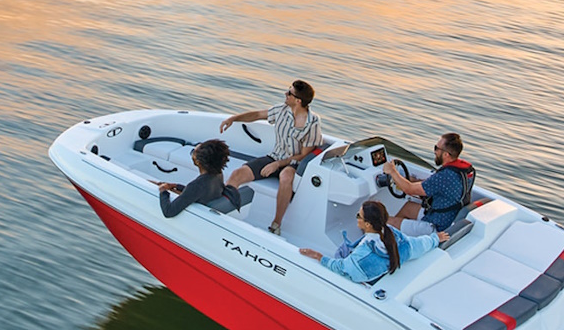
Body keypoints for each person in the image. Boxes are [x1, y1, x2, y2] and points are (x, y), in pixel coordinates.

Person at [220, 79, 323, 236]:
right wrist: (233, 119)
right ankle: (221, 210)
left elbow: (303, 155)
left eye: (289, 93)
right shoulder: (281, 110)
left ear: (298, 100)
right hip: (274, 157)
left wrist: (278, 164)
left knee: (286, 176)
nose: (285, 94)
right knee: (237, 174)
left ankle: (276, 224)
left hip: (293, 163)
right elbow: (257, 115)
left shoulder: (313, 122)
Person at [300, 199, 447, 283]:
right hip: (380, 275)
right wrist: (435, 239)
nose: (356, 217)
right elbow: (418, 245)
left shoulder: (363, 256)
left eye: (359, 215)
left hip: (364, 280)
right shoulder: (393, 235)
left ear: (368, 225)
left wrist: (319, 257)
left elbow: (343, 269)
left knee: (342, 251)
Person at [384, 132, 476, 235]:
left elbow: (409, 190)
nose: (435, 151)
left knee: (387, 222)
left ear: (446, 154)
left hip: (437, 226)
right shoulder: (464, 171)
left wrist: (392, 171)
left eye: (437, 148)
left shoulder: (445, 176)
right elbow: (435, 184)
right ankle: (397, 237)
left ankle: (391, 234)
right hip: (448, 217)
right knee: (408, 207)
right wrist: (412, 180)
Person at [157, 139, 246, 218]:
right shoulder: (218, 173)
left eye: (193, 152)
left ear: (198, 162)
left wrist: (163, 190)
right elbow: (196, 192)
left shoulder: (197, 185)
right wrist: (177, 186)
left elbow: (169, 211)